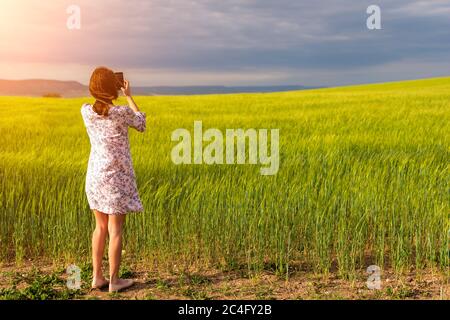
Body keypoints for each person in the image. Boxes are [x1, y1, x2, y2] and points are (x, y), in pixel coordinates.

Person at [81, 67, 146, 292]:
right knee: (115, 230)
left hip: (95, 177)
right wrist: (128, 96)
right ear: (113, 87)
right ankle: (115, 281)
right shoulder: (120, 113)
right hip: (116, 179)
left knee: (100, 227)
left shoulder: (86, 111)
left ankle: (97, 277)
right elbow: (141, 123)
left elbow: (101, 108)